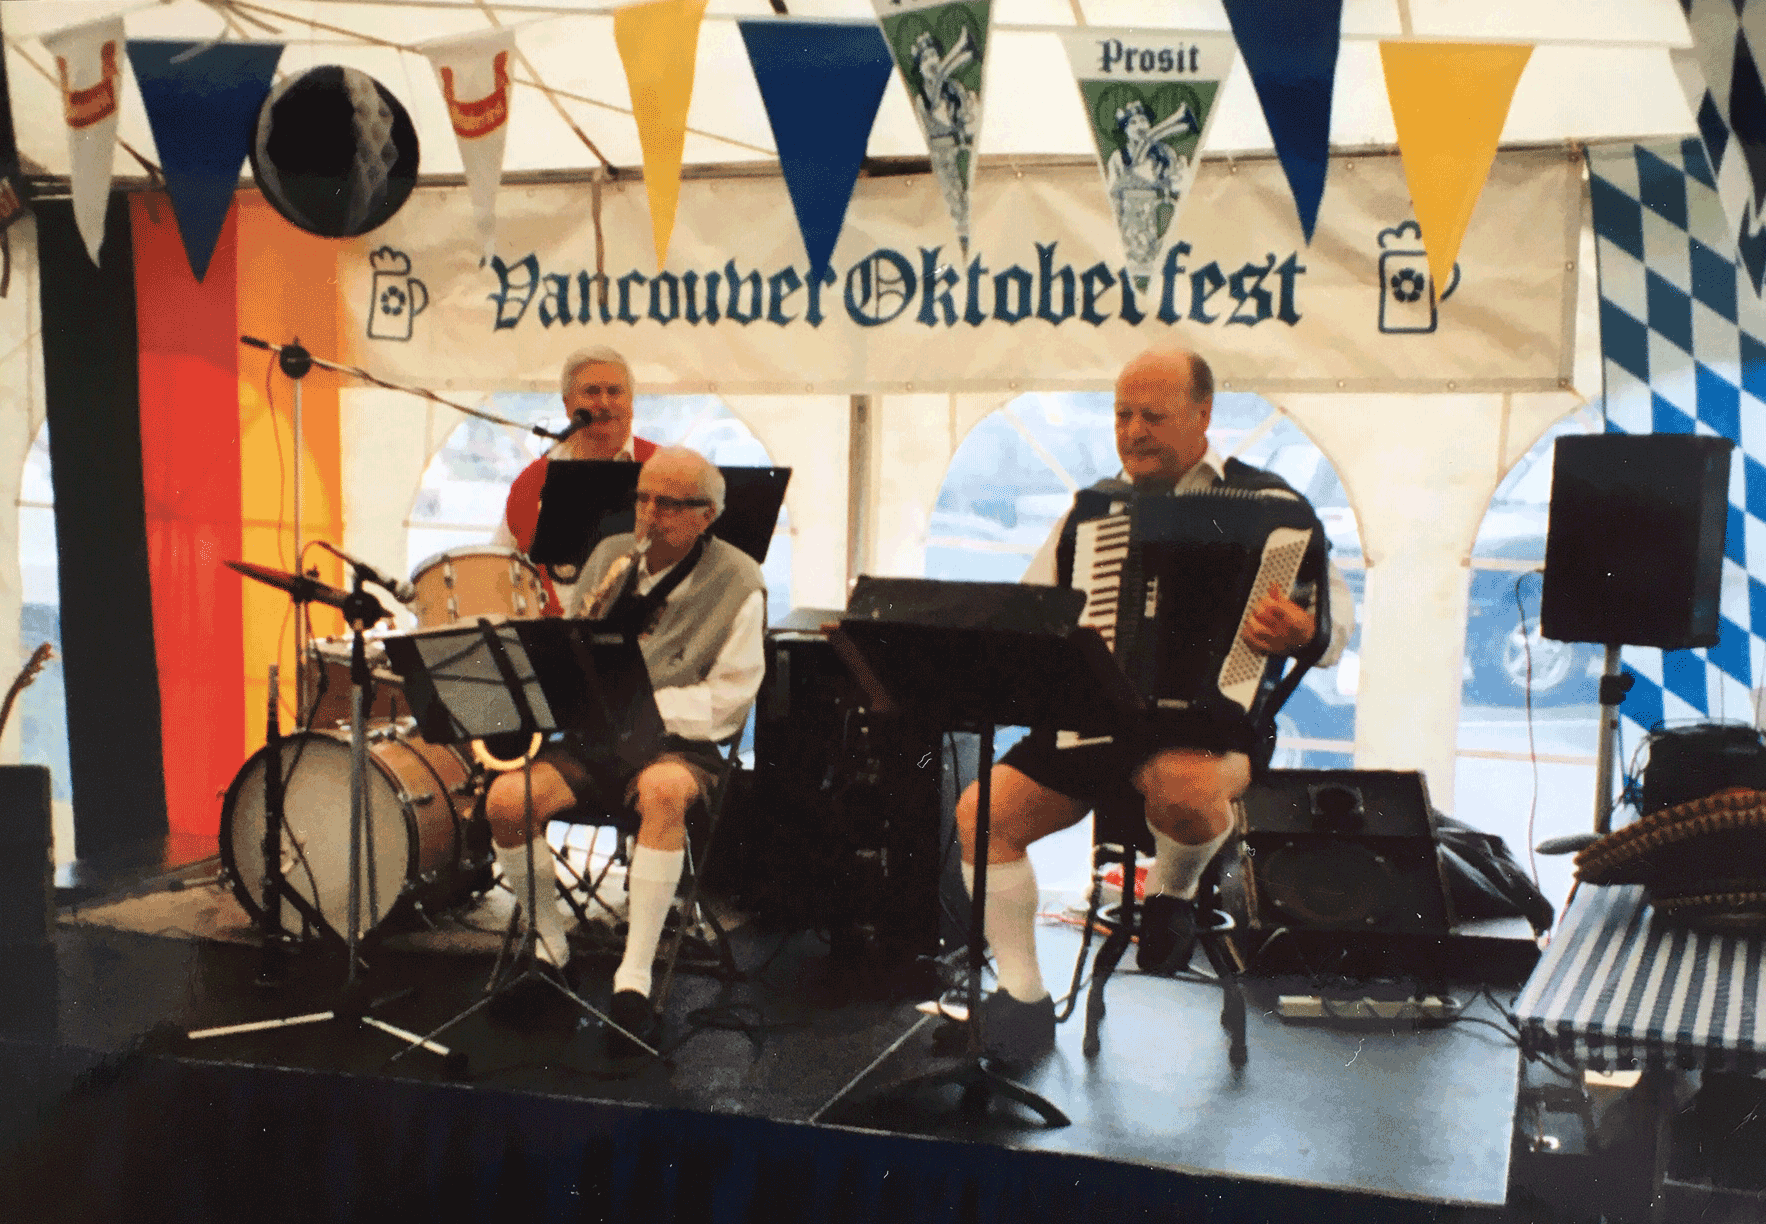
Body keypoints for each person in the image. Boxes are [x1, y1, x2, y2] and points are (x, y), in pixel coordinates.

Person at [956, 346, 1354, 1068]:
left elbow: (1333, 631)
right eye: (1121, 415)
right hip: (1097, 719)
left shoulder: (1274, 510)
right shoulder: (1094, 510)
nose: (1132, 431)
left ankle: (1172, 889)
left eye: (1152, 415)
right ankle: (1021, 994)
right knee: (982, 816)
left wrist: (1302, 631)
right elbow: (1032, 605)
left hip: (1210, 725)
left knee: (1184, 792)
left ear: (1203, 415)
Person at [482, 446, 766, 1051]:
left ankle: (633, 979)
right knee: (507, 799)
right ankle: (550, 951)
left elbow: (730, 701)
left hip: (682, 746)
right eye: (642, 497)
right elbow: (573, 646)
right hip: (598, 739)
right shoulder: (613, 556)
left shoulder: (741, 580)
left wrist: (638, 707)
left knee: (663, 792)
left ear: (707, 514)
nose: (649, 513)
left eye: (669, 503)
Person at [492, 346, 659, 615]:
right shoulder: (531, 483)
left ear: (631, 402)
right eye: (592, 392)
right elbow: (499, 568)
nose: (604, 403)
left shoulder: (667, 469)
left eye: (615, 392)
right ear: (568, 404)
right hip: (556, 644)